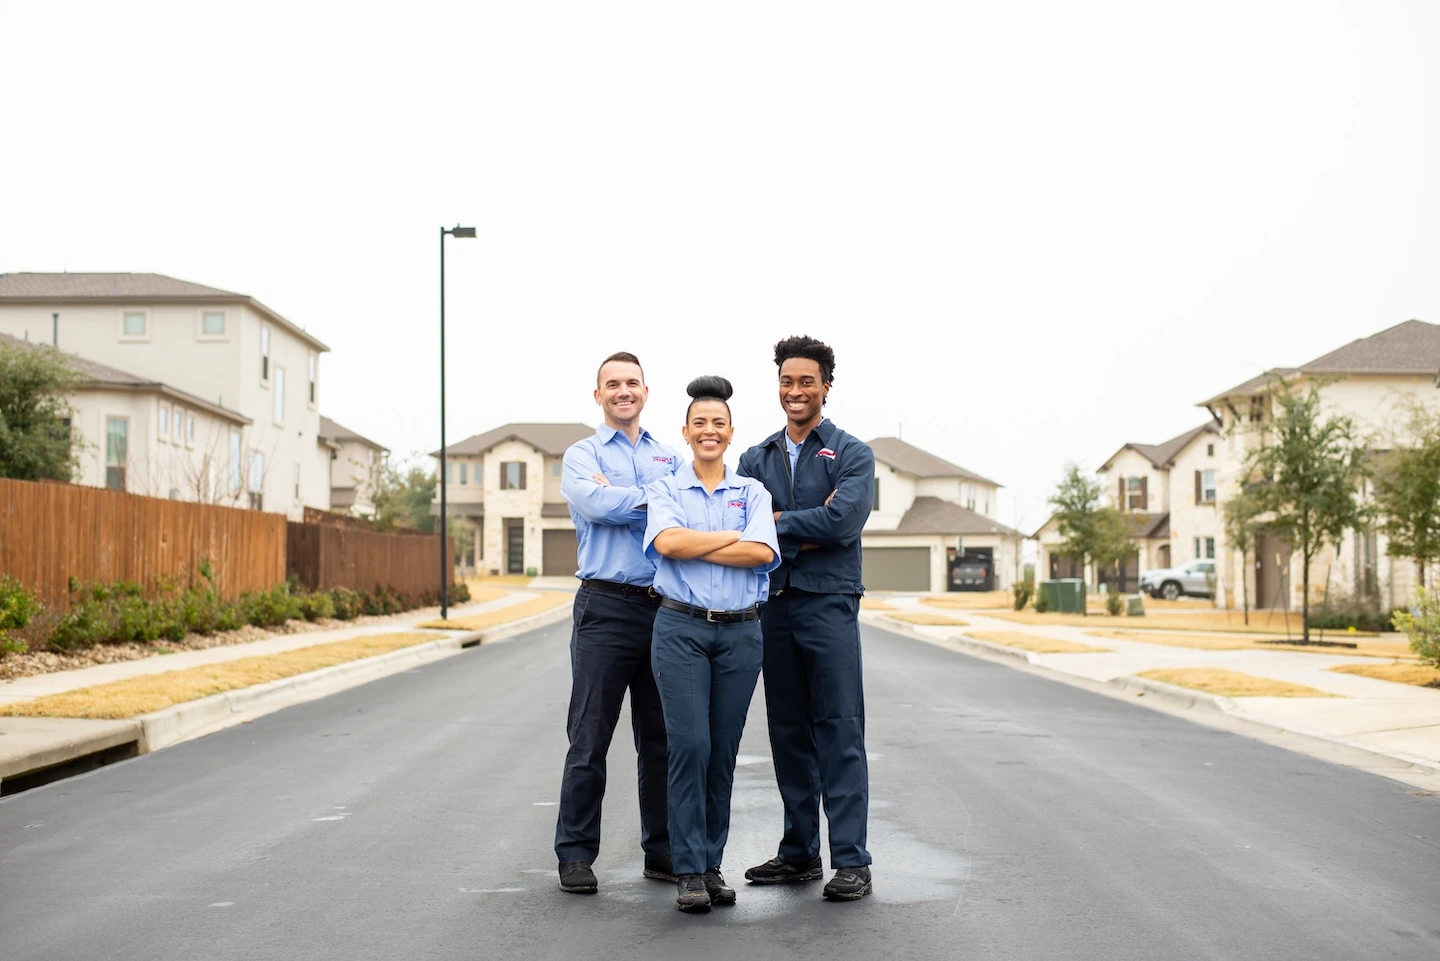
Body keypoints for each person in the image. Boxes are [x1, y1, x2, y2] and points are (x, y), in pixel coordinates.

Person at [737, 335, 876, 901]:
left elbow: (843, 522)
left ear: (825, 386)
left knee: (839, 728)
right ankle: (799, 853)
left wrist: (778, 526)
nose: (796, 391)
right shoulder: (755, 458)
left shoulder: (851, 453)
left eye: (806, 382)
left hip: (830, 604)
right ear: (778, 385)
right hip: (773, 606)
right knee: (788, 731)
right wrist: (800, 526)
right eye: (787, 381)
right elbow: (745, 524)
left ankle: (852, 860)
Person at [643, 375, 779, 913]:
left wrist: (703, 543)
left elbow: (762, 554)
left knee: (721, 752)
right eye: (699, 422)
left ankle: (711, 866)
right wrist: (733, 535)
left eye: (717, 423)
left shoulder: (753, 492)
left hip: (741, 632)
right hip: (681, 629)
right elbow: (668, 542)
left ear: (730, 432)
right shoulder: (666, 490)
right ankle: (688, 870)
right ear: (685, 431)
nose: (709, 430)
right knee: (690, 747)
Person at [554, 351, 681, 894]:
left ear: (646, 392)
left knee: (661, 741)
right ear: (598, 394)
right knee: (589, 738)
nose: (623, 391)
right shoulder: (580, 456)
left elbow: (685, 512)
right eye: (613, 384)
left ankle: (664, 851)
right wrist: (657, 500)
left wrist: (627, 497)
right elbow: (596, 505)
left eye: (632, 382)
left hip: (662, 609)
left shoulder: (669, 456)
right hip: (604, 608)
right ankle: (576, 855)